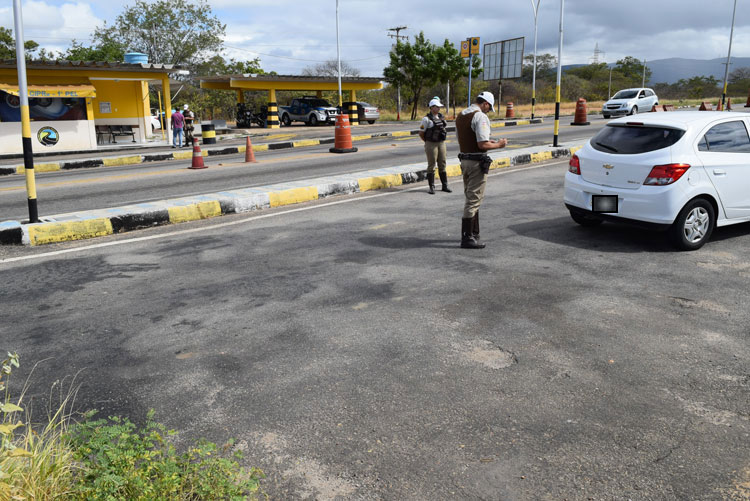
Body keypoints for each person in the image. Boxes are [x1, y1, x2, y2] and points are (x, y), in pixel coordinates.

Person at [455, 91, 507, 249]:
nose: (487, 111)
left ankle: (474, 232)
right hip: (477, 162)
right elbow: (482, 145)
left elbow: (465, 139)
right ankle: (468, 237)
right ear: (485, 103)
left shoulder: (462, 115)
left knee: (470, 197)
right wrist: (499, 144)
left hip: (464, 160)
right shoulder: (480, 116)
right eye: (488, 108)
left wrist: (487, 141)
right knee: (474, 200)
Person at [419, 97, 451, 194]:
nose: (438, 109)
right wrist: (427, 142)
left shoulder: (441, 117)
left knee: (442, 163)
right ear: (432, 107)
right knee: (432, 165)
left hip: (441, 143)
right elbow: (421, 132)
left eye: (439, 107)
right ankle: (431, 187)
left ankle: (444, 185)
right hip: (431, 143)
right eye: (436, 107)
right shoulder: (426, 119)